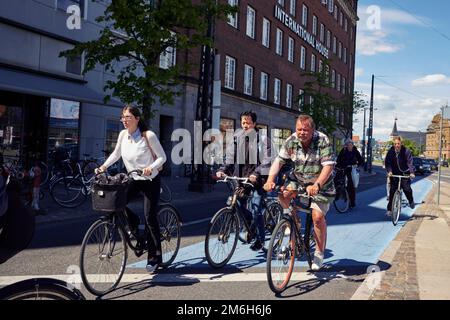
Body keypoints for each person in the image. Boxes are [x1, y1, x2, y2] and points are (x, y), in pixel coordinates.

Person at [96, 105, 167, 273]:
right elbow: (116, 154)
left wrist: (151, 167)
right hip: (133, 178)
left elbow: (163, 157)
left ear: (137, 119)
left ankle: (154, 257)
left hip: (150, 179)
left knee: (150, 217)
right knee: (115, 203)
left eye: (128, 117)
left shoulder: (148, 135)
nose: (124, 120)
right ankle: (134, 226)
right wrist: (103, 167)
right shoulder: (123, 135)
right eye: (123, 117)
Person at [263, 115, 335, 271]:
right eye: (299, 129)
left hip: (321, 183)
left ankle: (319, 252)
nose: (301, 132)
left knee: (317, 217)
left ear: (312, 130)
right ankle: (293, 221)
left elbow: (328, 166)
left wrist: (317, 184)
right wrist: (270, 179)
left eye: (305, 130)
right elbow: (279, 161)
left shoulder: (322, 140)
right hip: (299, 179)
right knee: (283, 194)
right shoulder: (291, 140)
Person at [216, 110, 271, 251]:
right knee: (238, 205)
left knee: (257, 208)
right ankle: (250, 221)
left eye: (248, 122)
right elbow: (229, 157)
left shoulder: (263, 140)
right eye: (243, 122)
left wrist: (256, 174)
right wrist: (222, 170)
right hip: (241, 179)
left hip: (258, 180)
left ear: (254, 123)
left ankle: (260, 239)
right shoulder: (237, 137)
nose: (245, 125)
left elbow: (266, 160)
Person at [384, 136, 415, 216]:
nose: (397, 145)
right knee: (392, 191)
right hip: (394, 173)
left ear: (401, 143)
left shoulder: (406, 151)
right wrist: (389, 171)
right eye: (395, 144)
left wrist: (412, 172)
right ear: (393, 144)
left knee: (407, 189)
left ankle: (411, 201)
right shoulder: (391, 151)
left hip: (405, 173)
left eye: (398, 143)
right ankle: (390, 210)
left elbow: (410, 163)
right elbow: (388, 162)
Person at [335, 138, 364, 208]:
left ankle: (352, 202)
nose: (349, 146)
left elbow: (360, 160)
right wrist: (337, 166)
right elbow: (338, 160)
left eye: (350, 145)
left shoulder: (355, 151)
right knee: (336, 180)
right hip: (343, 168)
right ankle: (338, 194)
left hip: (351, 170)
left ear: (352, 145)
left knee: (351, 186)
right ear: (346, 145)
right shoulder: (343, 151)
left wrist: (357, 164)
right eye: (348, 145)